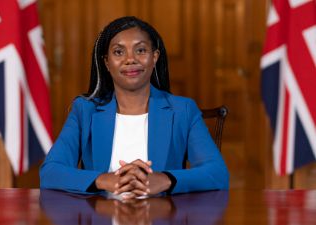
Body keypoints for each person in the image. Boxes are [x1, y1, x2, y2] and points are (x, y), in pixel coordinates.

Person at [40, 16, 229, 199]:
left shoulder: (183, 110)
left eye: (140, 50)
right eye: (118, 52)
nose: (130, 59)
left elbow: (217, 173)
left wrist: (165, 179)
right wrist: (103, 180)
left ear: (155, 57)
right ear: (106, 62)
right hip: (102, 216)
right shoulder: (84, 110)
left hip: (163, 216)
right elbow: (50, 172)